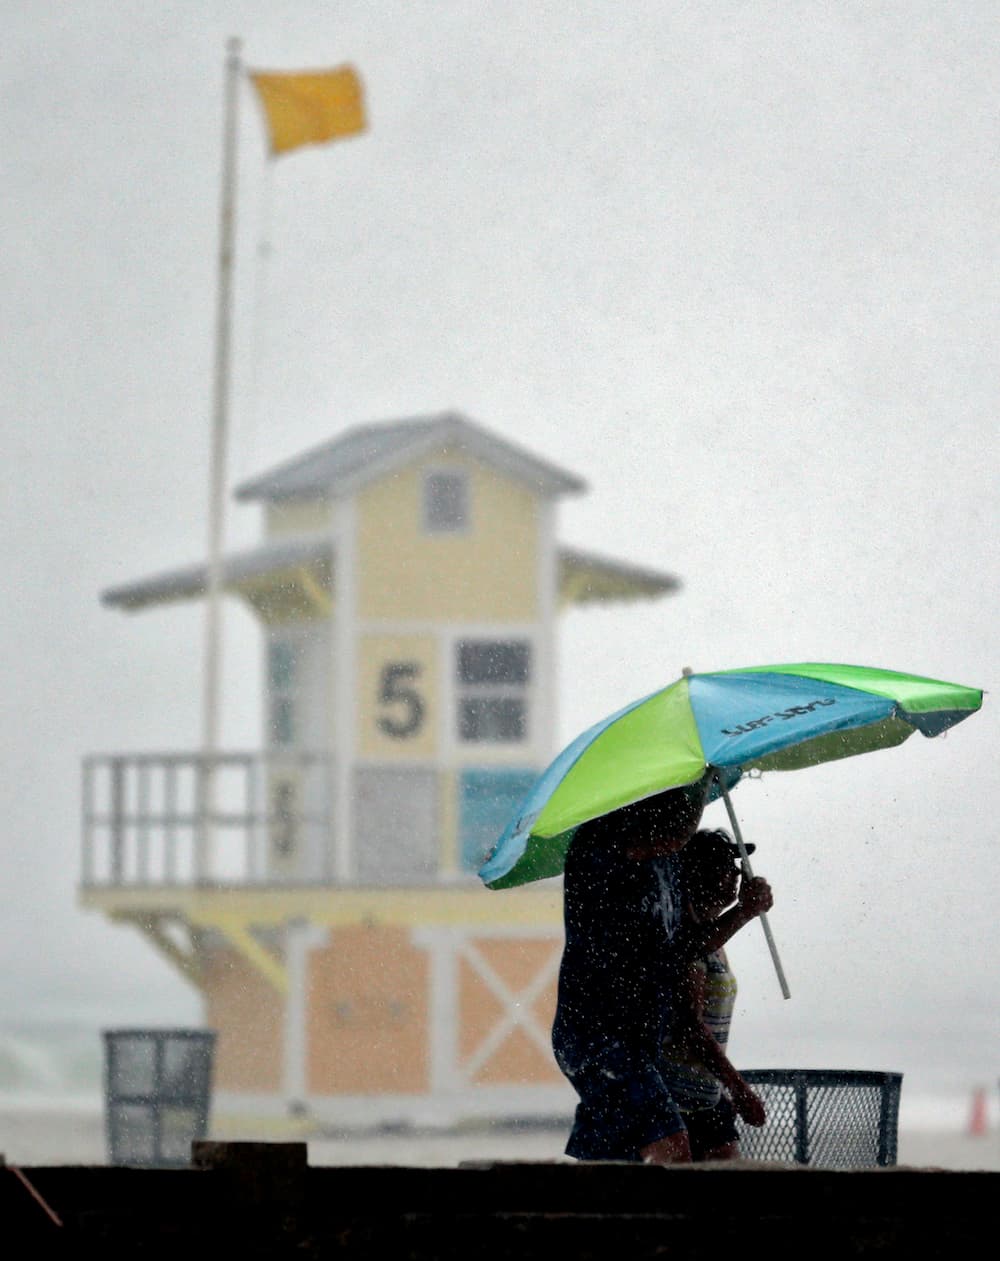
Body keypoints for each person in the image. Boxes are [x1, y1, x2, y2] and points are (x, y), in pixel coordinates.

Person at [551, 784, 773, 1165]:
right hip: (599, 1036)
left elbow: (685, 948)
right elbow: (689, 1023)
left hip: (637, 1043)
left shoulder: (666, 869)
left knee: (616, 1157)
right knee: (672, 1148)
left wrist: (742, 912)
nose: (734, 874)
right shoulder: (601, 841)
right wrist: (701, 784)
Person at [659, 828, 767, 1161]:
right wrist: (739, 1089)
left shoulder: (712, 937)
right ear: (697, 872)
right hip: (673, 1103)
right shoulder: (683, 934)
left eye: (735, 866)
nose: (736, 874)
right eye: (723, 866)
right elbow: (691, 1027)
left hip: (706, 1098)